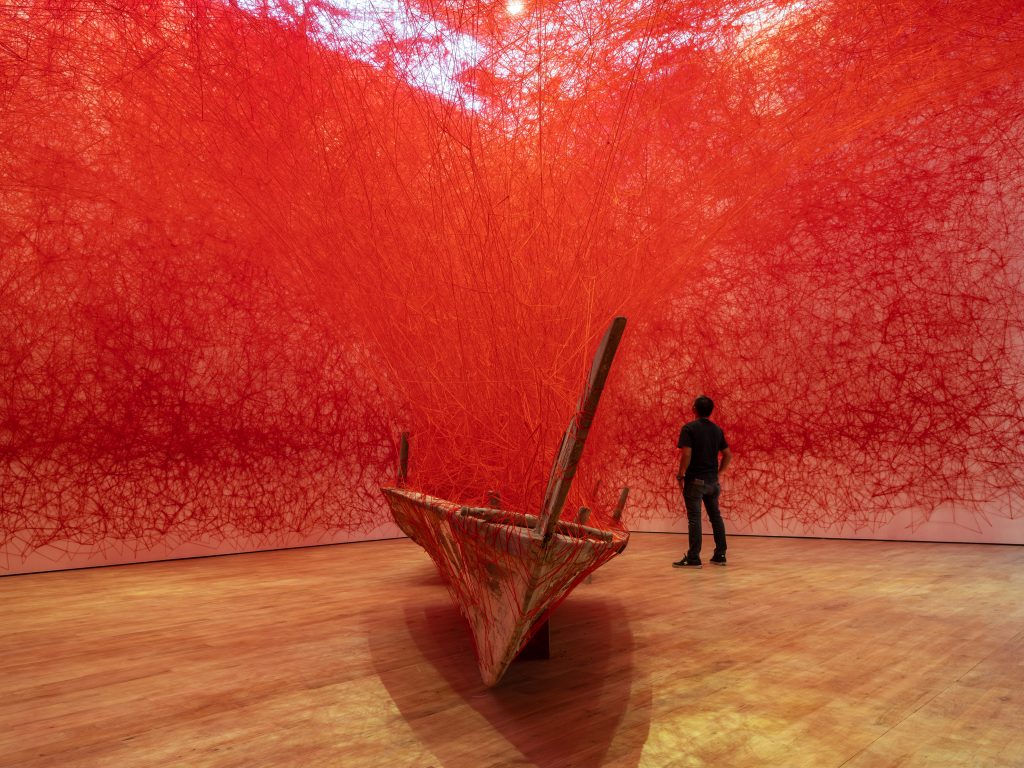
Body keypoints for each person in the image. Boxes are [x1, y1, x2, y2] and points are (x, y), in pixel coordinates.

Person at [672, 395, 731, 569]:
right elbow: (728, 454)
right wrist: (719, 473)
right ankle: (720, 555)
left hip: (695, 481)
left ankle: (694, 558)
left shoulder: (689, 428)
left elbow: (687, 454)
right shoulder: (717, 430)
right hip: (713, 482)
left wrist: (681, 474)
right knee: (716, 517)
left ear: (694, 409)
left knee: (694, 519)